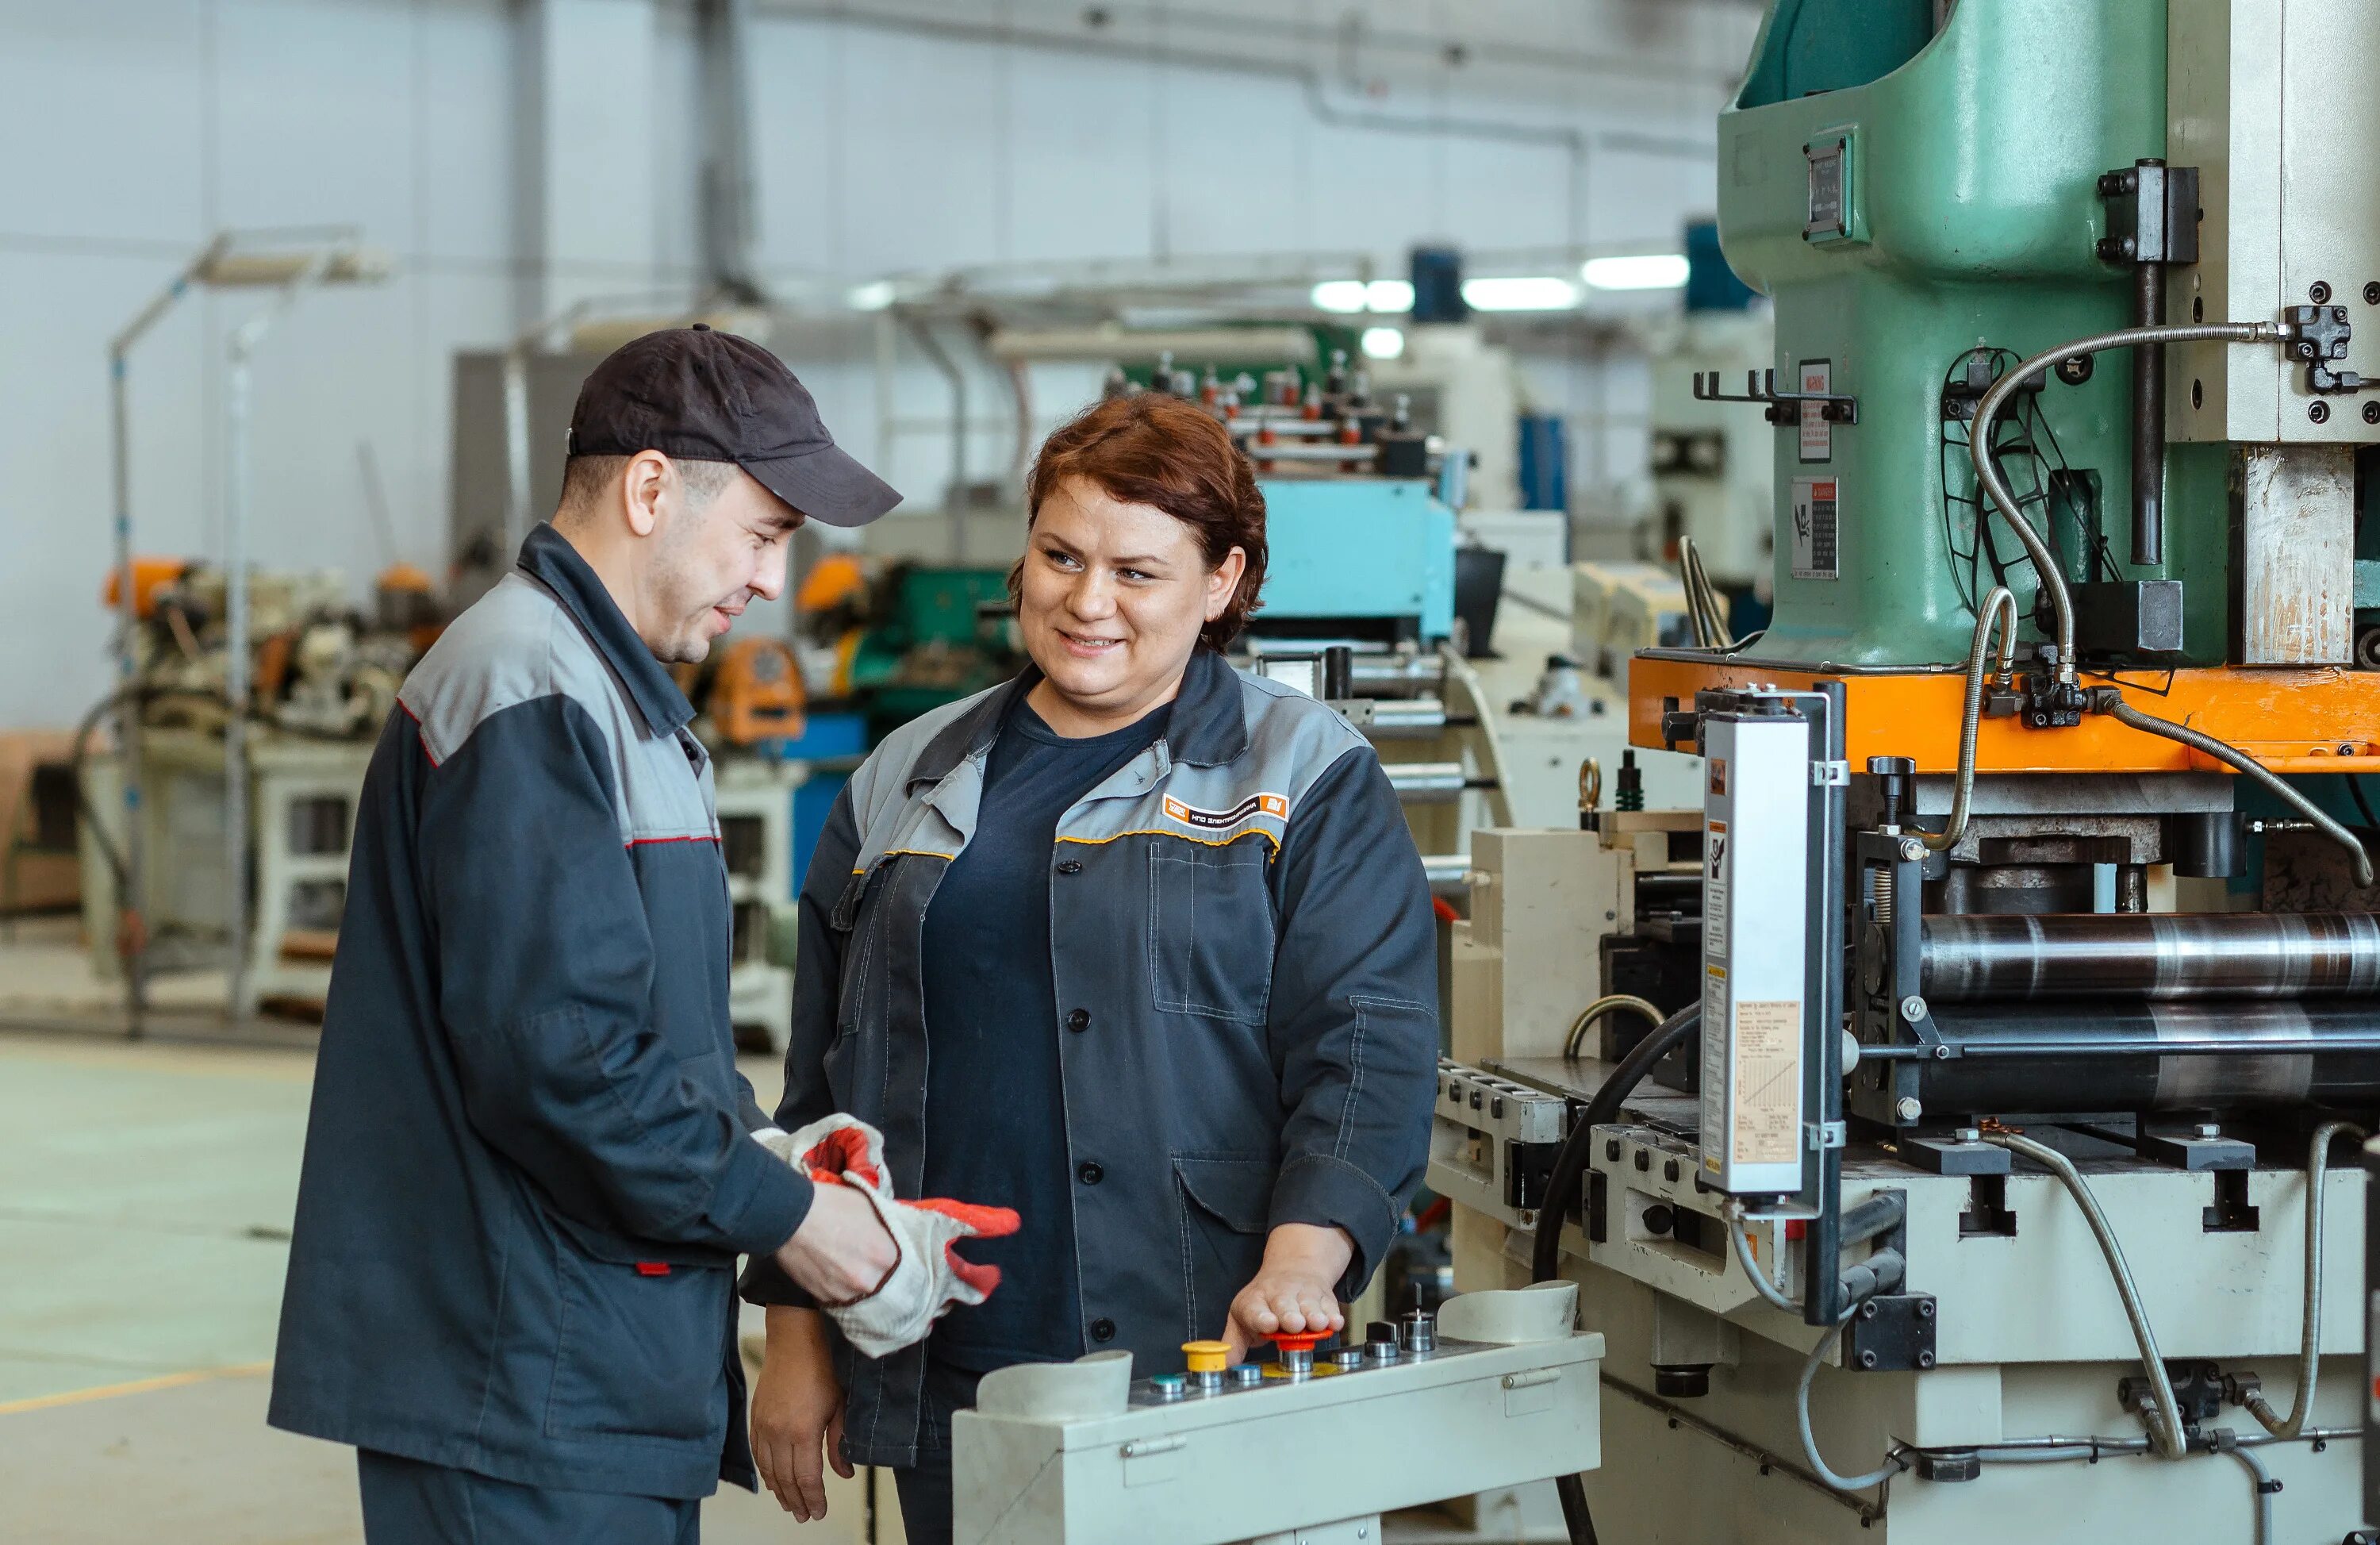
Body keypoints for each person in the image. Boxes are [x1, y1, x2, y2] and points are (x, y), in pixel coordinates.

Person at [268, 327, 1008, 1543]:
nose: (773, 580)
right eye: (766, 533)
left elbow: (640, 1038)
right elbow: (568, 1064)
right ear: (652, 487)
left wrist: (779, 1151)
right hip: (521, 1378)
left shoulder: (616, 702)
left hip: (590, 1364)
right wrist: (812, 1235)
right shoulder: (533, 692)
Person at [740, 391, 1441, 1540]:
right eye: (1060, 556)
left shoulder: (1301, 772)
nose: (1087, 601)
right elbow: (822, 1092)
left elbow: (1367, 1044)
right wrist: (797, 1334)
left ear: (1222, 583)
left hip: (1207, 1344)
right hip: (946, 1359)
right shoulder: (905, 775)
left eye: (1138, 572)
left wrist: (1306, 1259)